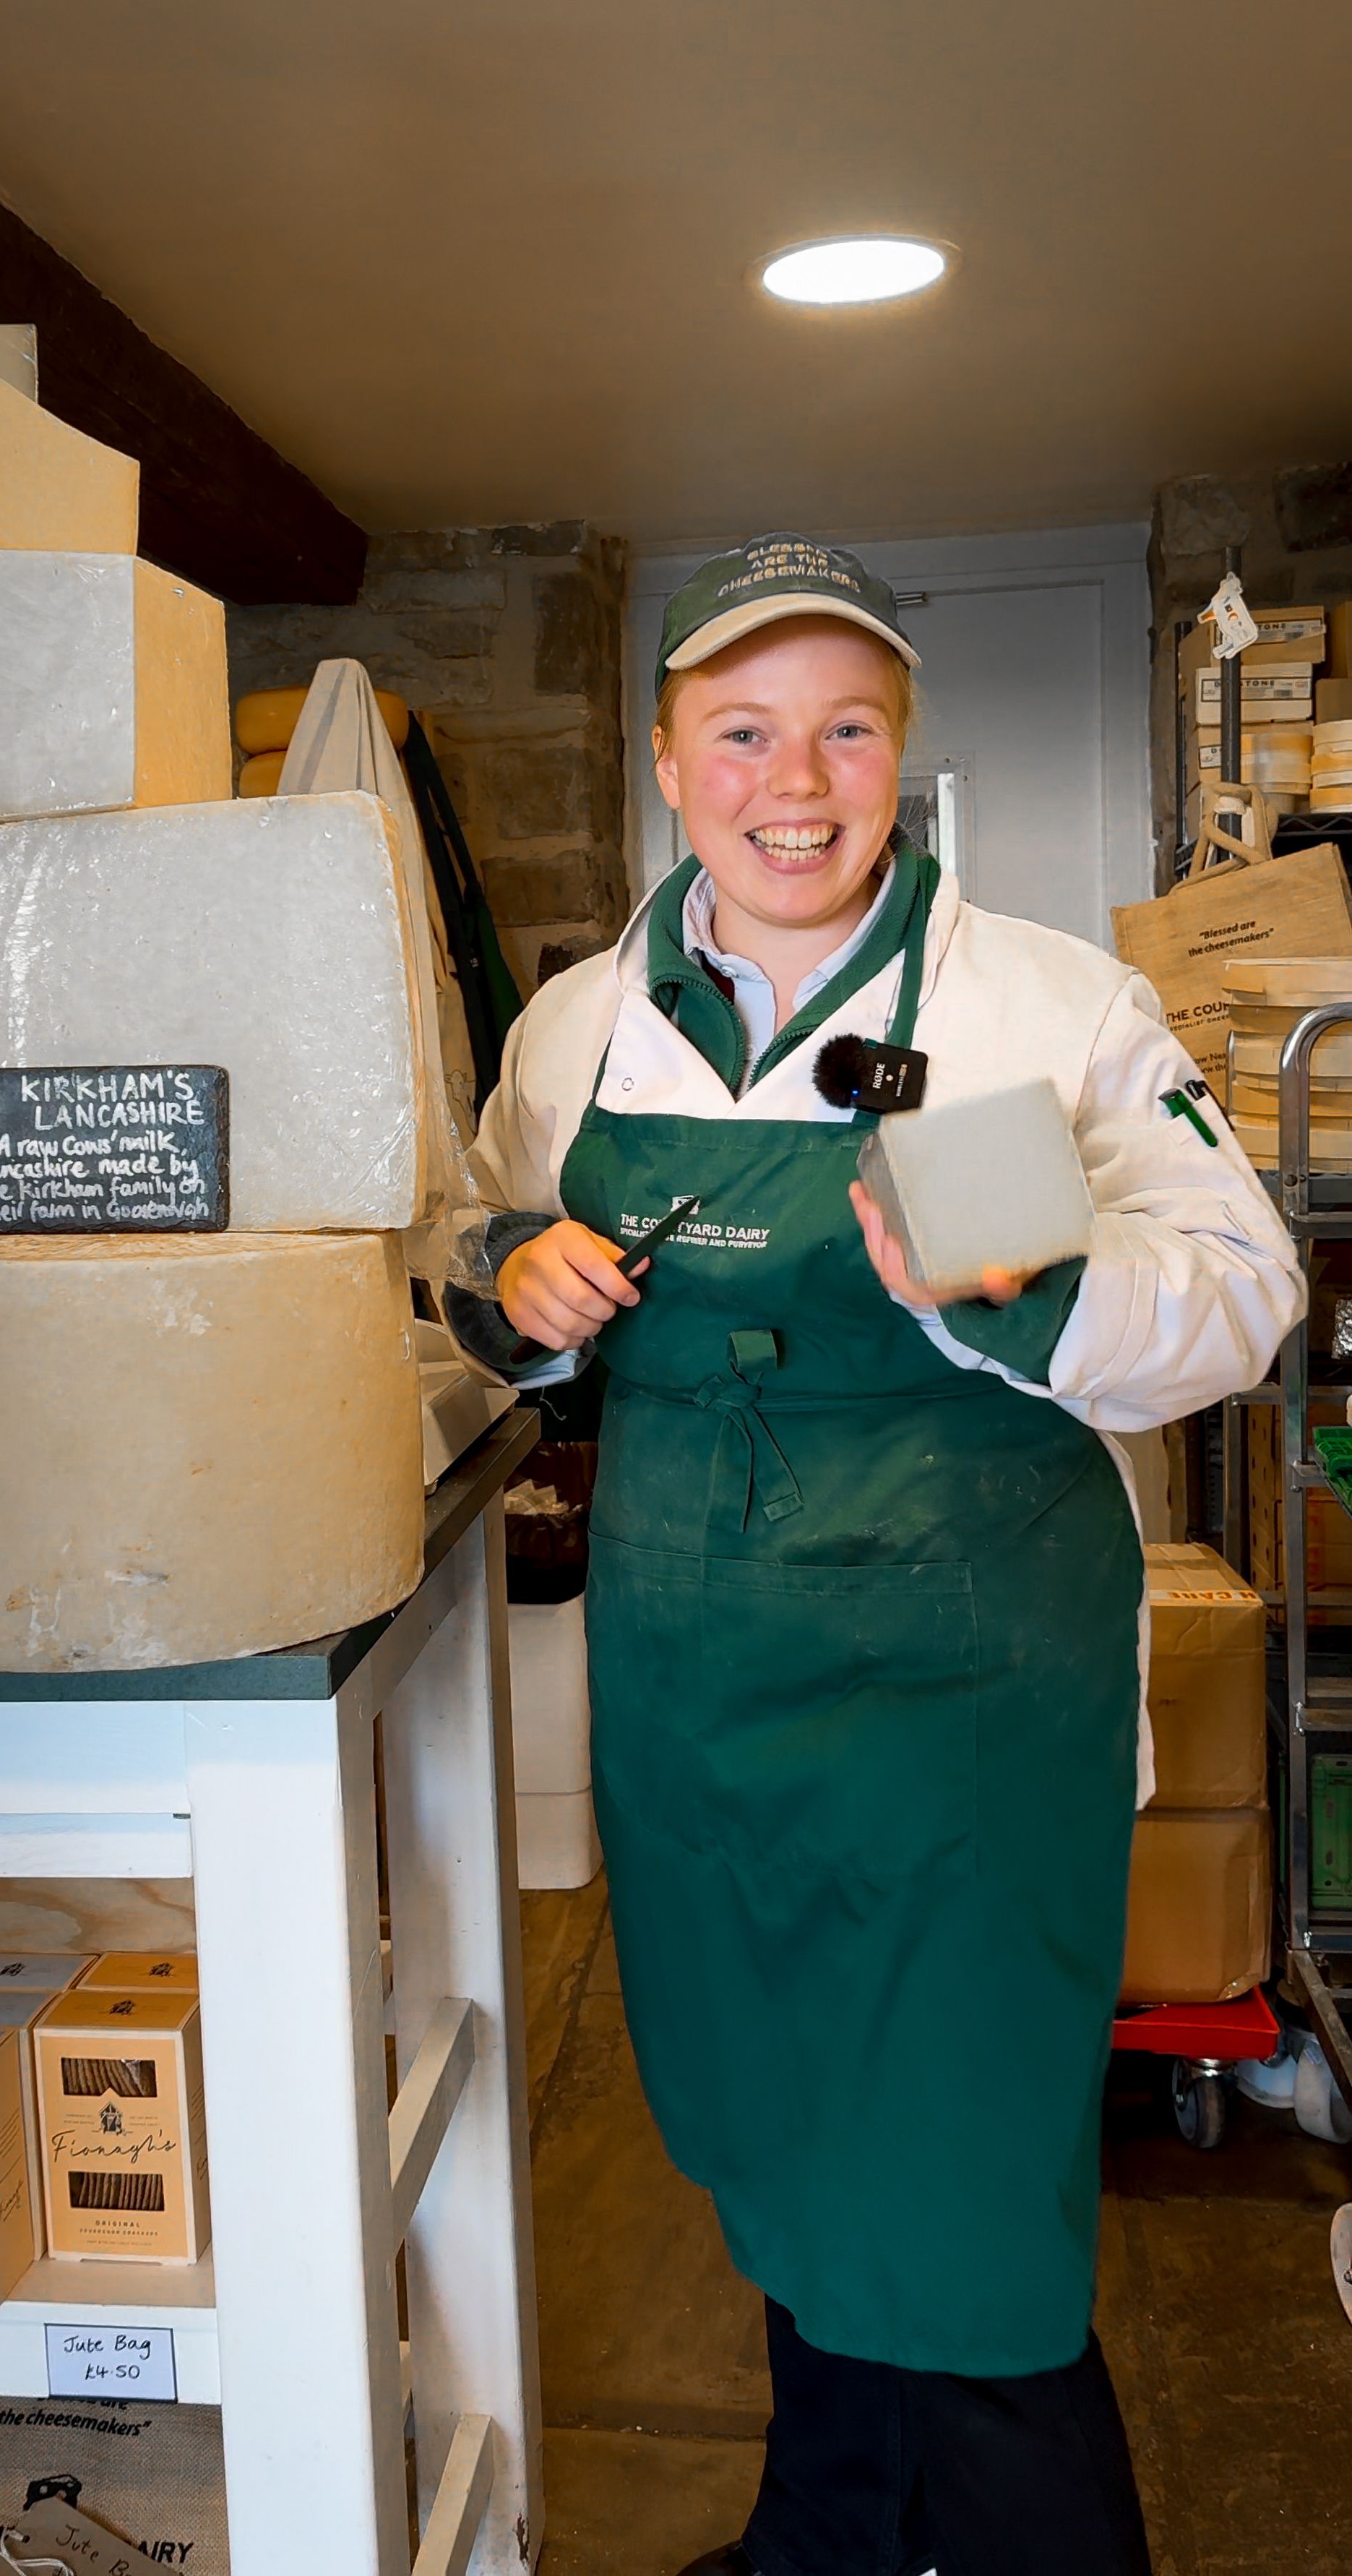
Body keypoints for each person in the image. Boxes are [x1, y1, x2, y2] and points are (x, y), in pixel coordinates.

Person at [455, 533, 1304, 2575]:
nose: (796, 776)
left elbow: (1244, 1288)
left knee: (964, 2194)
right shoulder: (579, 1029)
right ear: (674, 761)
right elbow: (472, 1242)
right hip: (704, 1700)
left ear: (899, 753)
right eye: (744, 728)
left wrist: (1035, 1275)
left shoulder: (1033, 1009)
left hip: (965, 1700)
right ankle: (825, 2536)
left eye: (845, 726)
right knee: (789, 2144)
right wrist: (517, 1277)